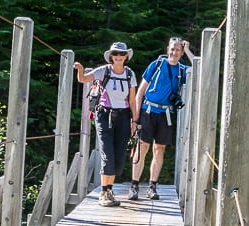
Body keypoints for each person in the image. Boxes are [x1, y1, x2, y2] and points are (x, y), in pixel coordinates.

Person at [74, 41, 139, 207]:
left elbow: (132, 101)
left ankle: (109, 190)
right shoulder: (104, 70)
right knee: (107, 153)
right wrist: (80, 69)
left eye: (121, 54)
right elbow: (83, 79)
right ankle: (103, 192)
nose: (118, 57)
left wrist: (135, 121)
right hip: (104, 115)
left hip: (124, 116)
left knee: (118, 155)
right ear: (111, 56)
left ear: (126, 57)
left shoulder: (130, 74)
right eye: (115, 54)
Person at [129, 37, 195, 201]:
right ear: (167, 50)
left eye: (178, 50)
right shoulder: (156, 65)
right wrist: (135, 118)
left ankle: (152, 187)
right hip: (148, 111)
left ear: (181, 53)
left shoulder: (181, 69)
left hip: (165, 114)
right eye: (172, 49)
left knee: (159, 150)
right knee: (142, 148)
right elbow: (140, 91)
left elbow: (199, 68)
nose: (174, 52)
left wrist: (188, 50)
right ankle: (134, 186)